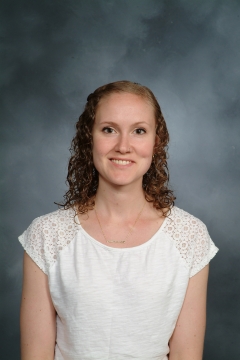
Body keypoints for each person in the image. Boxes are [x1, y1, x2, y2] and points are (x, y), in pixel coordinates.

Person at [19, 80, 218, 360]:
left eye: (139, 131)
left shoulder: (191, 236)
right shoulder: (46, 234)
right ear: (89, 138)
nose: (123, 146)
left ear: (155, 142)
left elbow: (187, 353)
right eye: (109, 130)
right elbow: (36, 354)